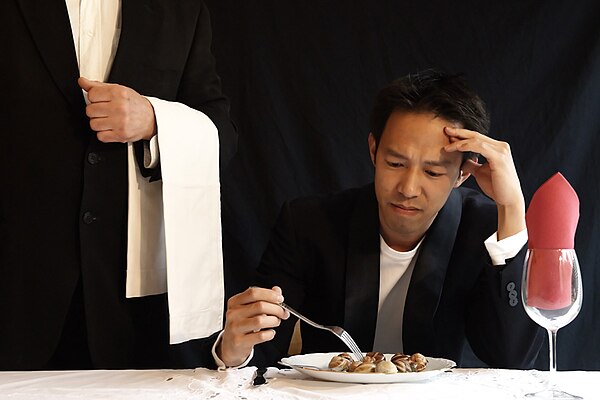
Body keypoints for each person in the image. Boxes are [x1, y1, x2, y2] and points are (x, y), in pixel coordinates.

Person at [213, 70, 543, 369]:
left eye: (432, 171)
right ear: (373, 150)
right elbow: (263, 346)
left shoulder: (487, 230)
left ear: (462, 173)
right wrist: (234, 349)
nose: (409, 188)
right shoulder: (308, 223)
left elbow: (513, 358)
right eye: (396, 163)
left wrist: (512, 207)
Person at [1, 0, 236, 370]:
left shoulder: (183, 11)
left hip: (132, 305)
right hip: (17, 285)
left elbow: (222, 133)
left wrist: (155, 120)